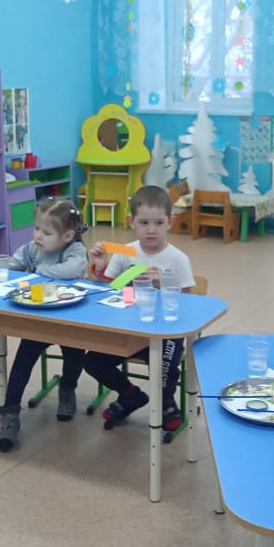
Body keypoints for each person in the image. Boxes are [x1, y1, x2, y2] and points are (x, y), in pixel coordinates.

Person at [85, 185, 196, 431]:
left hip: (165, 332)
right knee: (93, 361)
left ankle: (166, 403)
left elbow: (189, 302)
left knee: (166, 365)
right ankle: (129, 394)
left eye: (159, 223)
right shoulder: (126, 252)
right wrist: (99, 268)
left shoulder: (177, 258)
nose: (151, 230)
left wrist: (164, 282)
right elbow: (109, 291)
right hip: (129, 329)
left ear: (170, 222)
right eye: (144, 223)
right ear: (131, 222)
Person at [0, 198, 89, 451]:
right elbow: (12, 267)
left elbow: (71, 270)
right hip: (40, 319)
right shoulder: (31, 249)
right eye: (37, 228)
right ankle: (10, 413)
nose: (38, 235)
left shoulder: (75, 251)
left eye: (47, 232)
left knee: (75, 355)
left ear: (68, 235)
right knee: (23, 361)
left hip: (71, 320)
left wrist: (38, 271)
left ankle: (67, 389)